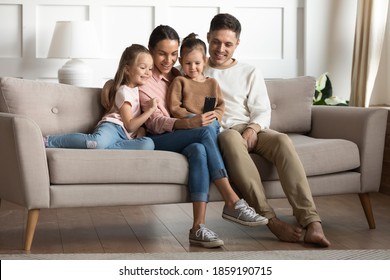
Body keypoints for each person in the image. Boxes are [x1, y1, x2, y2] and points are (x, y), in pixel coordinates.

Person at [204, 13, 331, 247]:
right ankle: (270, 219)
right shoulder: (193, 68)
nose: (221, 49)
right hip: (222, 131)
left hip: (250, 127)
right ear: (208, 37)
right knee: (231, 138)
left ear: (237, 44)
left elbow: (262, 110)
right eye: (216, 42)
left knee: (282, 141)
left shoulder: (249, 71)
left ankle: (311, 221)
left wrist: (252, 129)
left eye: (228, 44)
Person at [136, 25, 268, 248]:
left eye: (173, 54)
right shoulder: (144, 80)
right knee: (206, 130)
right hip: (157, 138)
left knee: (198, 149)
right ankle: (232, 200)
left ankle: (198, 227)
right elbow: (156, 123)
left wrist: (204, 118)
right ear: (150, 51)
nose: (168, 60)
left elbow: (206, 98)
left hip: (183, 136)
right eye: (161, 53)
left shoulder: (179, 74)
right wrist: (189, 122)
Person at [45, 44, 157, 151]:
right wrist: (150, 110)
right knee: (96, 142)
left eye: (151, 69)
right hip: (113, 128)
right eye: (143, 67)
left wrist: (141, 130)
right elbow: (130, 125)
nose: (148, 73)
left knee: (148, 144)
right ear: (127, 70)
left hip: (125, 137)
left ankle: (104, 149)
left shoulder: (137, 89)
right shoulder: (124, 92)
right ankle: (49, 141)